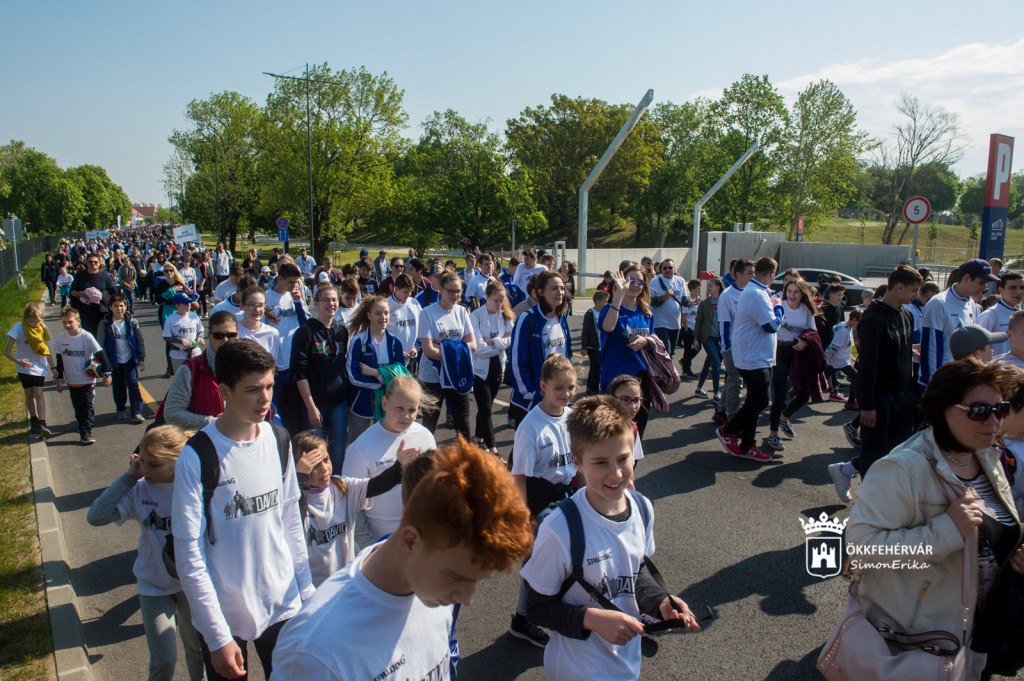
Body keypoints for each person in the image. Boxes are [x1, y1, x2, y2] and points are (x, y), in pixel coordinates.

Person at [271, 438, 533, 681]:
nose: (466, 599)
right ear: (410, 541)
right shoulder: (312, 652)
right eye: (457, 577)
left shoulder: (435, 590)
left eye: (476, 581)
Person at [846, 358, 1024, 678]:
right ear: (942, 408)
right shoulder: (903, 468)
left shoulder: (986, 454)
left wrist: (1013, 550)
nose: (994, 420)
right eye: (979, 410)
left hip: (981, 631)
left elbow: (991, 531)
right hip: (924, 640)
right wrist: (946, 530)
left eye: (1001, 409)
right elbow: (861, 549)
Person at [521, 395, 701, 681]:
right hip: (576, 670)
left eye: (622, 459)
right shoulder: (559, 529)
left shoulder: (642, 508)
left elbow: (631, 574)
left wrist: (660, 603)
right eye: (601, 462)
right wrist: (591, 619)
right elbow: (537, 609)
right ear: (578, 462)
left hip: (626, 665)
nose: (616, 473)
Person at [171, 340, 313, 681]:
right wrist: (217, 635)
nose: (265, 399)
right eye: (252, 390)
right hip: (225, 614)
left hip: (283, 603)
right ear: (224, 391)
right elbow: (189, 554)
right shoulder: (197, 456)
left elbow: (291, 522)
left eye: (269, 387)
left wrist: (307, 593)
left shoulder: (279, 439)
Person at [87, 425, 205, 681]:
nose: (145, 470)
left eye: (153, 464)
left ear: (177, 462)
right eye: (142, 461)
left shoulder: (195, 487)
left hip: (192, 583)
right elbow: (96, 517)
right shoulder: (139, 489)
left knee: (198, 651)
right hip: (154, 584)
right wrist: (128, 478)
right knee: (163, 660)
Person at [507, 353, 578, 648]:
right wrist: (524, 520)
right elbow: (519, 478)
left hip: (567, 494)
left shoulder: (571, 417)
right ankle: (523, 619)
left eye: (571, 387)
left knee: (571, 556)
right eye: (558, 388)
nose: (566, 394)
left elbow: (579, 462)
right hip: (540, 500)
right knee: (538, 562)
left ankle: (565, 607)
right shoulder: (530, 427)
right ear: (543, 386)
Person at [291, 429, 418, 587]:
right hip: (311, 588)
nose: (324, 469)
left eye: (326, 460)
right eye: (314, 466)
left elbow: (377, 485)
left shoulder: (342, 486)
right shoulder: (293, 499)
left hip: (344, 582)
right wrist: (300, 479)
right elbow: (294, 518)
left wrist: (399, 466)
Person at [716, 257, 781, 463]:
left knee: (754, 401)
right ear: (772, 273)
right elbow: (771, 326)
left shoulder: (758, 291)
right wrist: (779, 308)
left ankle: (748, 444)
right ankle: (728, 430)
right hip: (752, 357)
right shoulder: (755, 293)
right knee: (760, 400)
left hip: (760, 356)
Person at [286, 284, 350, 468]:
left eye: (334, 300)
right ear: (316, 303)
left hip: (338, 402)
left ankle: (335, 483)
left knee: (338, 452)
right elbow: (299, 373)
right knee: (315, 454)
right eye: (326, 300)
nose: (331, 304)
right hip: (315, 403)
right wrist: (310, 406)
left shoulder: (342, 331)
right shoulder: (305, 332)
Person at [417, 270, 476, 437]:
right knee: (429, 425)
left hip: (457, 374)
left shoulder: (462, 311)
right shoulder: (427, 313)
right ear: (441, 289)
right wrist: (458, 349)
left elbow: (472, 345)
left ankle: (465, 454)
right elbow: (428, 350)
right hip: (432, 376)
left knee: (463, 425)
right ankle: (427, 453)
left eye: (458, 291)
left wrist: (443, 346)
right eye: (451, 291)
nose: (455, 295)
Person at [509, 270, 572, 427]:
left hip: (557, 397)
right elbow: (516, 361)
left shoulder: (562, 317)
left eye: (562, 288)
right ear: (540, 292)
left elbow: (567, 356)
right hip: (533, 401)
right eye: (554, 288)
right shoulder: (527, 318)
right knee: (528, 442)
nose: (560, 292)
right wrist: (531, 393)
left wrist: (568, 388)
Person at [764, 278, 820, 453]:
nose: (792, 295)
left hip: (798, 353)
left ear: (802, 294)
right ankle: (773, 434)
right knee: (780, 395)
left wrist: (805, 341)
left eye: (796, 292)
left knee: (804, 394)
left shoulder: (806, 310)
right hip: (779, 351)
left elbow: (813, 331)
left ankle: (784, 418)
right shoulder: (778, 305)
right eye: (789, 291)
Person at [920, 258, 995, 390]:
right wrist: (935, 384)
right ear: (967, 278)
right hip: (942, 383)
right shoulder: (938, 303)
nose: (984, 288)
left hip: (961, 380)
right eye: (981, 283)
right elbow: (931, 348)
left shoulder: (972, 304)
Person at [599, 264, 654, 437]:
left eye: (640, 281)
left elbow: (653, 338)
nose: (636, 285)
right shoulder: (609, 308)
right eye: (631, 280)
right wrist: (619, 295)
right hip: (615, 378)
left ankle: (633, 456)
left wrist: (645, 340)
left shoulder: (646, 311)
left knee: (637, 432)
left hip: (640, 378)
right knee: (613, 433)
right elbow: (608, 327)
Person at [161, 311, 236, 432]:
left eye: (231, 335)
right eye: (218, 335)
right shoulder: (189, 370)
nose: (225, 340)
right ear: (209, 335)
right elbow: (172, 413)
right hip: (201, 439)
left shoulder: (246, 367)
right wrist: (213, 422)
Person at [346, 295, 405, 443]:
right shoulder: (358, 341)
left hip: (387, 403)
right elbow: (353, 376)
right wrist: (383, 381)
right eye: (378, 313)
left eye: (386, 313)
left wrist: (377, 373)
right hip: (361, 403)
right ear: (369, 315)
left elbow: (401, 374)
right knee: (357, 443)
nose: (383, 317)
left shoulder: (395, 343)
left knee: (386, 443)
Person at [55, 306, 112, 445]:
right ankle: (83, 425)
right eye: (64, 322)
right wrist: (60, 379)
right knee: (78, 407)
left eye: (70, 322)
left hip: (87, 380)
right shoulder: (61, 338)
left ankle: (85, 432)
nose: (67, 325)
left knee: (86, 406)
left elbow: (101, 354)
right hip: (71, 381)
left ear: (78, 321)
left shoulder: (86, 336)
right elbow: (59, 360)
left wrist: (107, 373)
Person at [470, 278, 514, 452]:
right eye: (496, 300)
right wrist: (500, 343)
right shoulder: (475, 316)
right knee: (486, 409)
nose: (499, 304)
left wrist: (493, 341)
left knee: (485, 408)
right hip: (479, 371)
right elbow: (478, 348)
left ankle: (477, 438)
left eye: (502, 300)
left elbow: (512, 339)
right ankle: (492, 448)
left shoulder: (505, 316)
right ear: (486, 297)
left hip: (498, 369)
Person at [712, 259, 754, 425]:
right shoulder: (727, 295)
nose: (753, 276)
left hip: (750, 347)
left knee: (732, 380)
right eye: (749, 273)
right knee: (737, 381)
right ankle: (733, 421)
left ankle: (720, 411)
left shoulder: (754, 292)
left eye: (754, 273)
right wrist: (727, 348)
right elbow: (724, 324)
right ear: (738, 274)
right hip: (733, 348)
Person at [6, 303, 55, 438]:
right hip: (24, 367)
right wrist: (19, 361)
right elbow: (7, 352)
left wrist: (53, 367)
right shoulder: (18, 328)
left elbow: (47, 350)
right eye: (31, 322)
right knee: (29, 394)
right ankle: (33, 419)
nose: (34, 324)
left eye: (37, 321)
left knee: (39, 393)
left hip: (39, 367)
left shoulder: (43, 328)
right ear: (25, 318)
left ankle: (42, 423)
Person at [98, 294, 147, 424]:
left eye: (121, 305)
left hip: (129, 359)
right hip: (114, 360)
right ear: (110, 307)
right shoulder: (105, 324)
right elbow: (100, 344)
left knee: (133, 384)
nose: (119, 309)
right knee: (118, 386)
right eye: (116, 306)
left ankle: (136, 412)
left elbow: (139, 340)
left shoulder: (132, 322)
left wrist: (141, 358)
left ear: (126, 306)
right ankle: (120, 409)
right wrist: (105, 363)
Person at [70, 252, 118, 336]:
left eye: (95, 262)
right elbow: (72, 292)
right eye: (90, 261)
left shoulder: (105, 275)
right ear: (86, 263)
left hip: (102, 311)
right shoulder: (80, 275)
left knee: (102, 335)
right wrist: (82, 294)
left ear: (99, 263)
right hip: (85, 312)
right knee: (89, 335)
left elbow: (112, 292)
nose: (93, 263)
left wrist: (100, 295)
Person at [978, 270, 1024, 358]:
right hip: (996, 366)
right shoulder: (990, 315)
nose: (1018, 292)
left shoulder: (1021, 315)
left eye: (1022, 287)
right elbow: (977, 347)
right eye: (1012, 287)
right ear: (1001, 290)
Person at [648, 259, 686, 359]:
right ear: (661, 270)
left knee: (671, 352)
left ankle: (665, 368)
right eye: (665, 268)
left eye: (670, 267)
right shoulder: (655, 281)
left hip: (675, 323)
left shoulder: (680, 281)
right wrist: (664, 297)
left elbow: (684, 299)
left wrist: (691, 302)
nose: (668, 270)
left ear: (674, 268)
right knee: (666, 351)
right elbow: (650, 301)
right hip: (660, 323)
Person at [694, 278, 723, 400]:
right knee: (717, 364)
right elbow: (698, 321)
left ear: (718, 287)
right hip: (707, 337)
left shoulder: (725, 301)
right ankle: (716, 394)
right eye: (708, 286)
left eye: (711, 286)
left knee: (708, 363)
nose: (708, 288)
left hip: (721, 339)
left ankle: (698, 389)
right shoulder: (704, 303)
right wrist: (696, 338)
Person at [608, 374, 646, 467]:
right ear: (611, 399)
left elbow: (631, 464)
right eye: (625, 399)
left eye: (636, 400)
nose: (633, 406)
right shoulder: (598, 430)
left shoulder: (633, 428)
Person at [162, 292, 204, 374]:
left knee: (197, 376)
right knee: (181, 378)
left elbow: (200, 330)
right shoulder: (171, 319)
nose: (188, 305)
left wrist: (200, 337)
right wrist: (180, 340)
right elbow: (166, 336)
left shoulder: (194, 316)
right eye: (185, 303)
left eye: (189, 302)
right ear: (177, 305)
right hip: (178, 354)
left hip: (195, 352)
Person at [237, 287, 281, 362]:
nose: (257, 310)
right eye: (252, 305)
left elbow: (274, 364)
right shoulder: (235, 332)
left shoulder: (273, 333)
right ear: (242, 306)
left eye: (260, 305)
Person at [582, 290, 609, 396]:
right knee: (596, 368)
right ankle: (592, 389)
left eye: (607, 302)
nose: (606, 304)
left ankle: (595, 387)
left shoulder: (606, 312)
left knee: (600, 368)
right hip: (593, 347)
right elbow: (585, 331)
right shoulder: (590, 314)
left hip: (603, 346)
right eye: (604, 302)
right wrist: (584, 347)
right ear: (597, 301)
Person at [679, 279, 702, 375]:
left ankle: (684, 361)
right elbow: (683, 317)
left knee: (698, 347)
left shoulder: (698, 300)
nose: (699, 290)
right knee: (687, 349)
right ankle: (686, 370)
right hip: (687, 329)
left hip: (695, 329)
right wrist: (686, 329)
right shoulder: (687, 301)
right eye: (698, 289)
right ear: (692, 289)